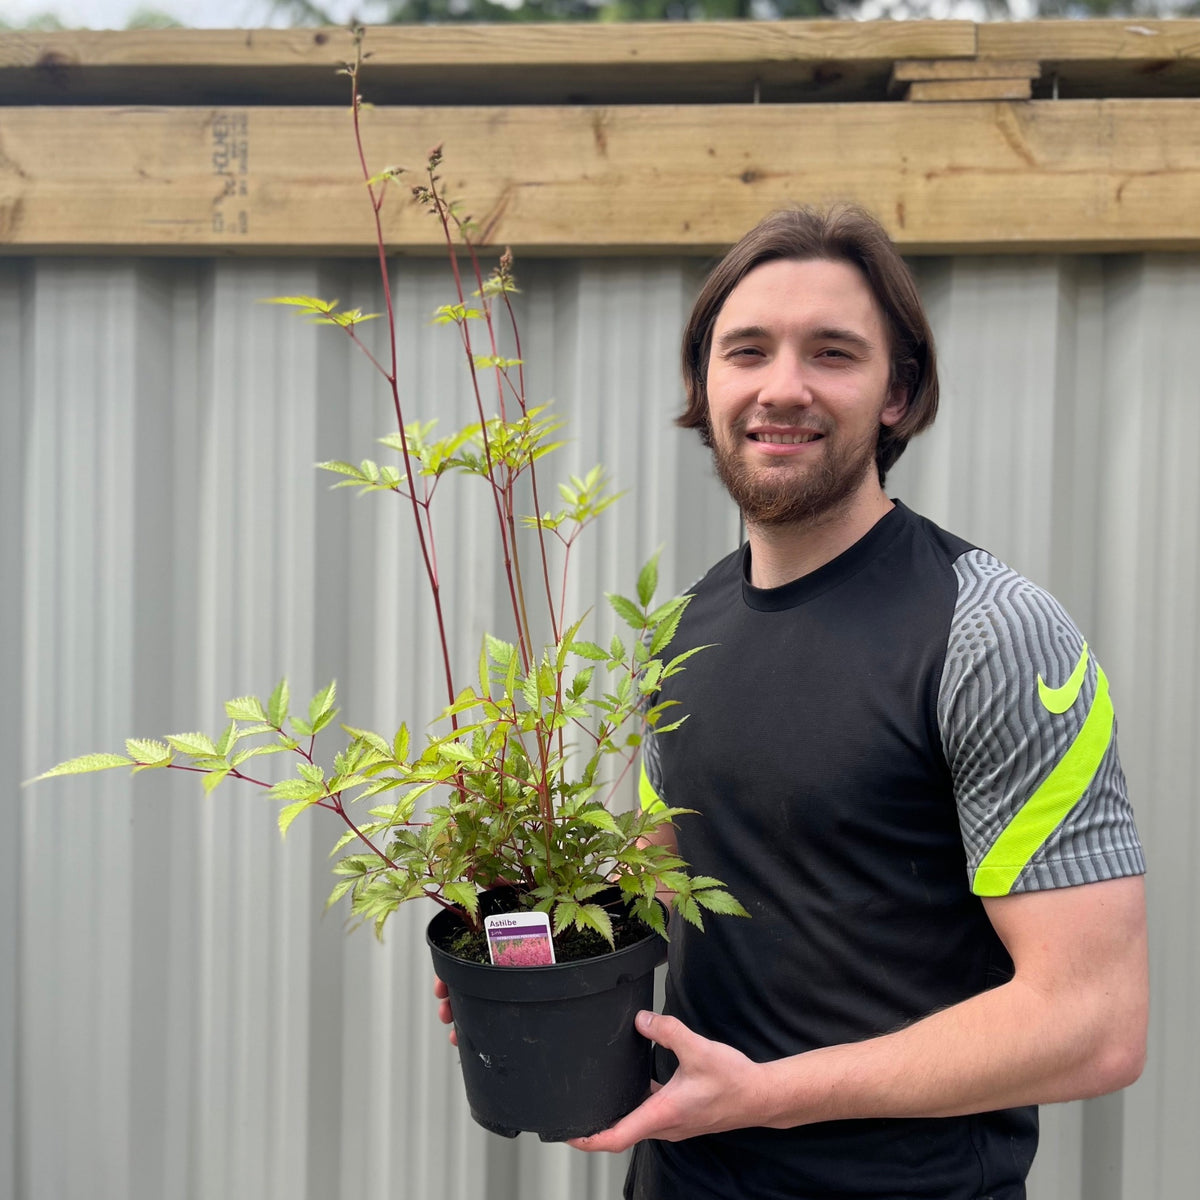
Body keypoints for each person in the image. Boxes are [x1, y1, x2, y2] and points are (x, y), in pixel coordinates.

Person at [436, 206, 1148, 1200]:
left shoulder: (991, 633)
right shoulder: (687, 625)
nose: (783, 387)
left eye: (833, 353)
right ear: (704, 384)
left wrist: (766, 1094)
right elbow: (670, 871)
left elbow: (1095, 1023)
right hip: (681, 1178)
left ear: (896, 393)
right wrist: (521, 949)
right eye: (748, 351)